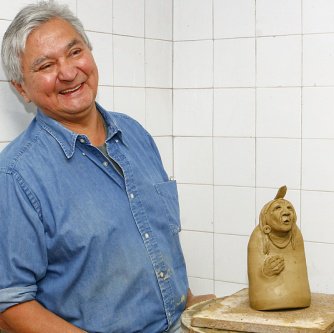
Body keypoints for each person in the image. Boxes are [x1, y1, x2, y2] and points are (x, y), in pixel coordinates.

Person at [0, 2, 214, 332]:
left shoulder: (136, 134)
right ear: (21, 88)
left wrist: (190, 306)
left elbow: (155, 241)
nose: (69, 72)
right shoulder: (16, 175)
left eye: (74, 52)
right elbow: (11, 302)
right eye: (45, 66)